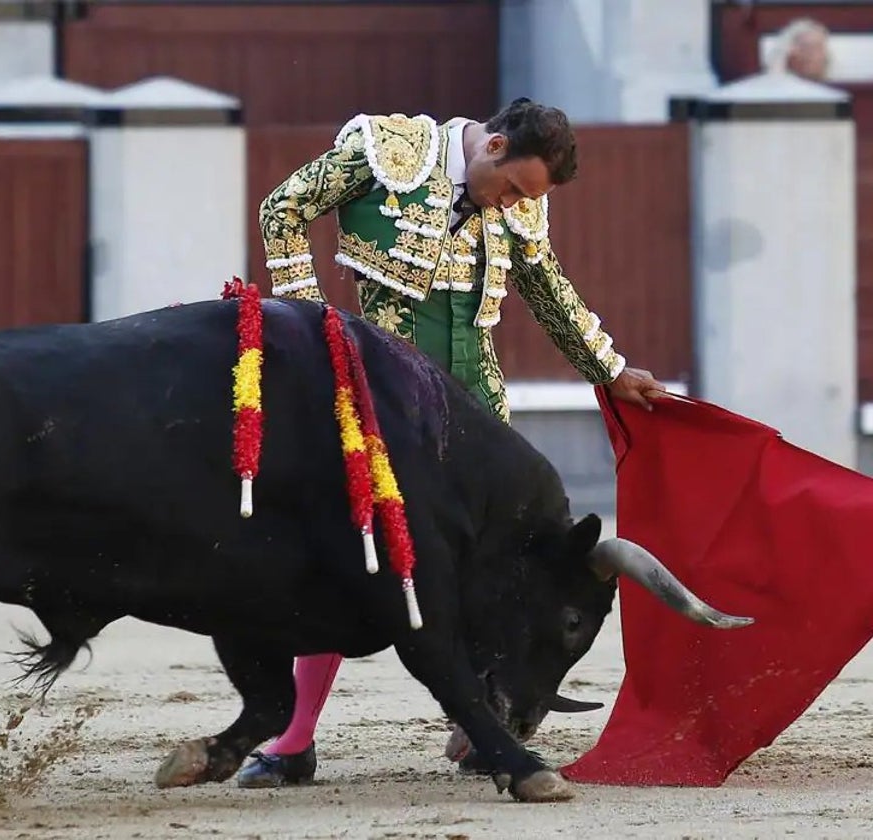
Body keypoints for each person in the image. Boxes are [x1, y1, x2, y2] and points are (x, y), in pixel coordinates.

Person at [239, 98, 667, 789]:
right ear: (492, 145)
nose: (513, 205)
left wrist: (611, 371)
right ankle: (294, 738)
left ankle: (483, 721)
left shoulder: (519, 196)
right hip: (385, 397)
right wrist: (311, 325)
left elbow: (548, 289)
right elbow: (282, 209)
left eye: (526, 197)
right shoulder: (386, 153)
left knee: (498, 570)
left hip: (479, 411)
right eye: (513, 188)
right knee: (350, 551)